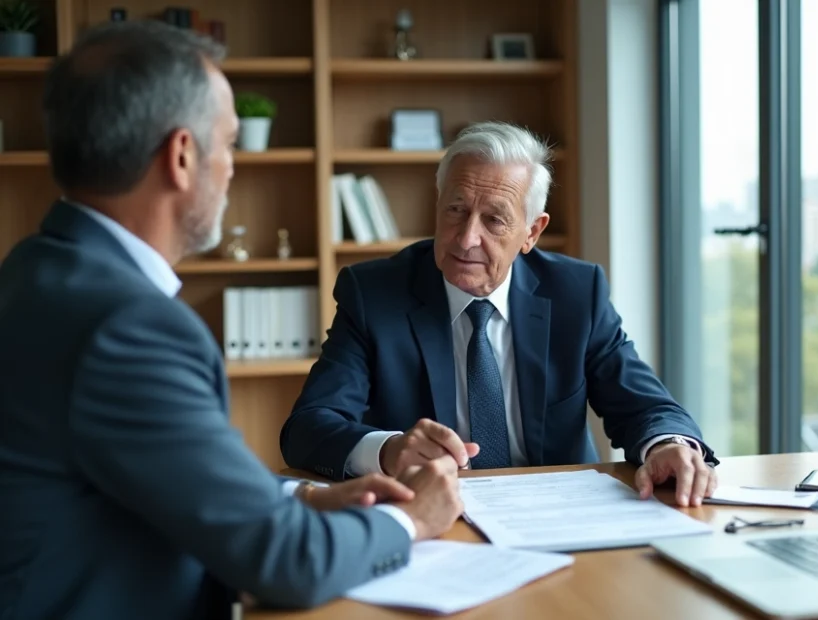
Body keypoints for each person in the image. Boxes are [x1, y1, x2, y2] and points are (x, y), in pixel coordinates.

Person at [0, 20, 463, 620]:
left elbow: (156, 473)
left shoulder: (34, 272)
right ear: (183, 156)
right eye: (230, 143)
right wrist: (411, 520)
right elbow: (283, 560)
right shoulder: (129, 327)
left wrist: (301, 496)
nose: (234, 168)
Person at [281, 121, 720, 507]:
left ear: (532, 231)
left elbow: (643, 404)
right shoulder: (375, 294)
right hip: (431, 514)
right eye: (455, 210)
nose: (466, 237)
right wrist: (389, 450)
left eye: (494, 220)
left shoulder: (575, 293)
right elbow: (307, 429)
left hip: (560, 515)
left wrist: (668, 444)